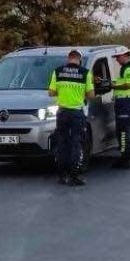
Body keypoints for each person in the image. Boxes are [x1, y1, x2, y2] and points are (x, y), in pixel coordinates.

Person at [48, 49, 95, 187]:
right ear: (79, 59)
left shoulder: (58, 71)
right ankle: (74, 175)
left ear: (68, 58)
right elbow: (91, 95)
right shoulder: (85, 73)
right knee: (77, 143)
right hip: (76, 113)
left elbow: (51, 92)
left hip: (62, 112)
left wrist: (63, 91)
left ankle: (62, 176)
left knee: (62, 142)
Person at [112, 48, 130, 169]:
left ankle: (126, 159)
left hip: (125, 102)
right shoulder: (124, 68)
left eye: (118, 57)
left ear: (124, 55)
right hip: (122, 101)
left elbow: (129, 84)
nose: (117, 60)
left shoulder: (128, 68)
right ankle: (124, 157)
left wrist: (113, 85)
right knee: (120, 130)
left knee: (123, 131)